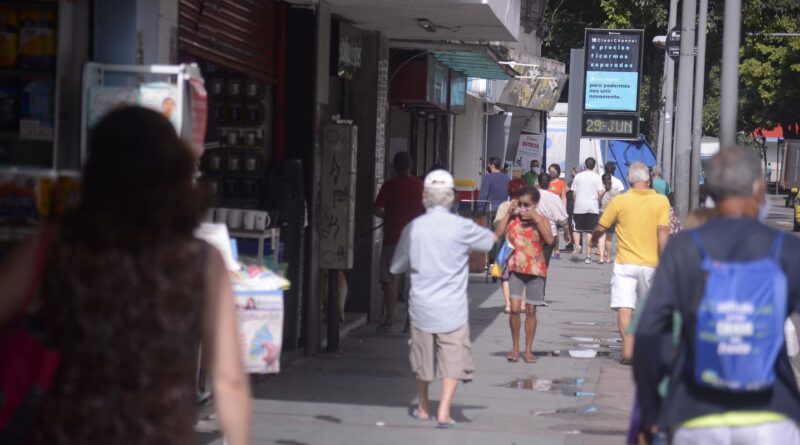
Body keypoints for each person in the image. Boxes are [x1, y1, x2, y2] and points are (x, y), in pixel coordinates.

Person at [0, 107, 250, 444]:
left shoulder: (53, 246)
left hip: (68, 430)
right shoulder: (202, 262)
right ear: (175, 172)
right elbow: (228, 376)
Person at [634, 146, 800, 444]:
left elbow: (649, 333)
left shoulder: (683, 248)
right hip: (772, 414)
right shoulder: (786, 249)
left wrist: (651, 409)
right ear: (758, 189)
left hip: (695, 412)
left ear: (709, 190)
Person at [391, 169, 510, 428]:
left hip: (421, 307)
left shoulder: (414, 227)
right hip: (452, 309)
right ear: (452, 198)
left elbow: (397, 266)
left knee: (422, 360)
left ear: (425, 197)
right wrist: (506, 218)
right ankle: (444, 411)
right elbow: (490, 241)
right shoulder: (461, 226)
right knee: (453, 360)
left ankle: (423, 407)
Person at [591, 162, 670, 364]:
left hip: (625, 264)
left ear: (629, 180)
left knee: (625, 307)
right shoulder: (661, 201)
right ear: (649, 179)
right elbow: (663, 232)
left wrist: (593, 240)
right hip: (651, 264)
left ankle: (628, 351)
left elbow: (602, 226)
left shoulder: (620, 200)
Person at [374, 151, 425, 332]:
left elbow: (377, 209)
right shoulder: (420, 186)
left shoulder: (389, 185)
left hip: (393, 238)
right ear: (411, 166)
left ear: (394, 167)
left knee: (390, 279)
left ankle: (390, 320)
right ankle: (410, 322)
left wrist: (388, 215)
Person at [504, 186, 554, 364]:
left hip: (536, 269)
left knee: (531, 310)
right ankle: (515, 348)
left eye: (527, 205)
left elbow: (550, 240)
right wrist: (509, 214)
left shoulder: (542, 219)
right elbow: (501, 234)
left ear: (535, 205)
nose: (524, 209)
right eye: (521, 204)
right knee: (515, 309)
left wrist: (537, 219)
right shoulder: (514, 218)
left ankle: (528, 350)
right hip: (516, 268)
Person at [494, 178, 528, 314]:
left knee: (506, 276)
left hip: (507, 245)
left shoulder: (504, 206)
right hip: (524, 246)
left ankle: (508, 304)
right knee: (523, 275)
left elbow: (497, 225)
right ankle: (523, 304)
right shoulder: (528, 206)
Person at [570, 157, 605, 263]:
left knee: (576, 229)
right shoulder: (597, 177)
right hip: (592, 207)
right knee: (589, 231)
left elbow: (574, 193)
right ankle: (588, 257)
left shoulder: (578, 176)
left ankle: (577, 245)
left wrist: (576, 202)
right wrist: (597, 200)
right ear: (594, 166)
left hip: (579, 206)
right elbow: (600, 193)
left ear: (585, 165)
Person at [536, 172, 571, 268]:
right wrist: (567, 233)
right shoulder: (554, 198)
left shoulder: (531, 195)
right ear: (549, 184)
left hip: (533, 233)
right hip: (550, 234)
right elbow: (563, 220)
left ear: (538, 183)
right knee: (544, 264)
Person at [598, 173, 621, 264]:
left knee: (601, 237)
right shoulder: (616, 191)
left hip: (602, 214)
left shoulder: (601, 191)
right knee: (609, 238)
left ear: (603, 181)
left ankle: (601, 258)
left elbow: (598, 202)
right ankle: (608, 258)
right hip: (612, 215)